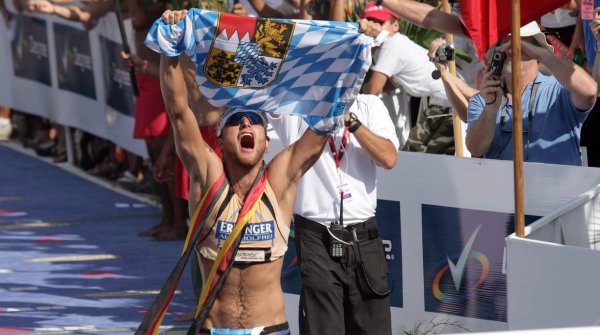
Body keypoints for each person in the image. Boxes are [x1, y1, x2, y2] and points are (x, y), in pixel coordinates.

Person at [269, 91, 398, 334]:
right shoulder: (296, 103)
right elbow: (267, 90)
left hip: (364, 238)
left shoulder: (369, 104)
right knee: (323, 328)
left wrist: (351, 120)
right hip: (317, 237)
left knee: (374, 328)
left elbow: (389, 158)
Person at [466, 21, 597, 166]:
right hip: (501, 186)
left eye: (521, 45)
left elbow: (590, 91)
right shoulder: (483, 99)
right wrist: (490, 110)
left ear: (538, 57)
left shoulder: (559, 89)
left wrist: (545, 55)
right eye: (505, 45)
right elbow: (475, 149)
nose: (512, 51)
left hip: (556, 186)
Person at [361, 1, 454, 154]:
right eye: (370, 21)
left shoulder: (391, 45)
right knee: (424, 157)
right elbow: (388, 85)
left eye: (380, 22)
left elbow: (373, 91)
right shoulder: (390, 46)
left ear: (395, 26)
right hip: (442, 99)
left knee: (412, 154)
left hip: (444, 101)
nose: (374, 26)